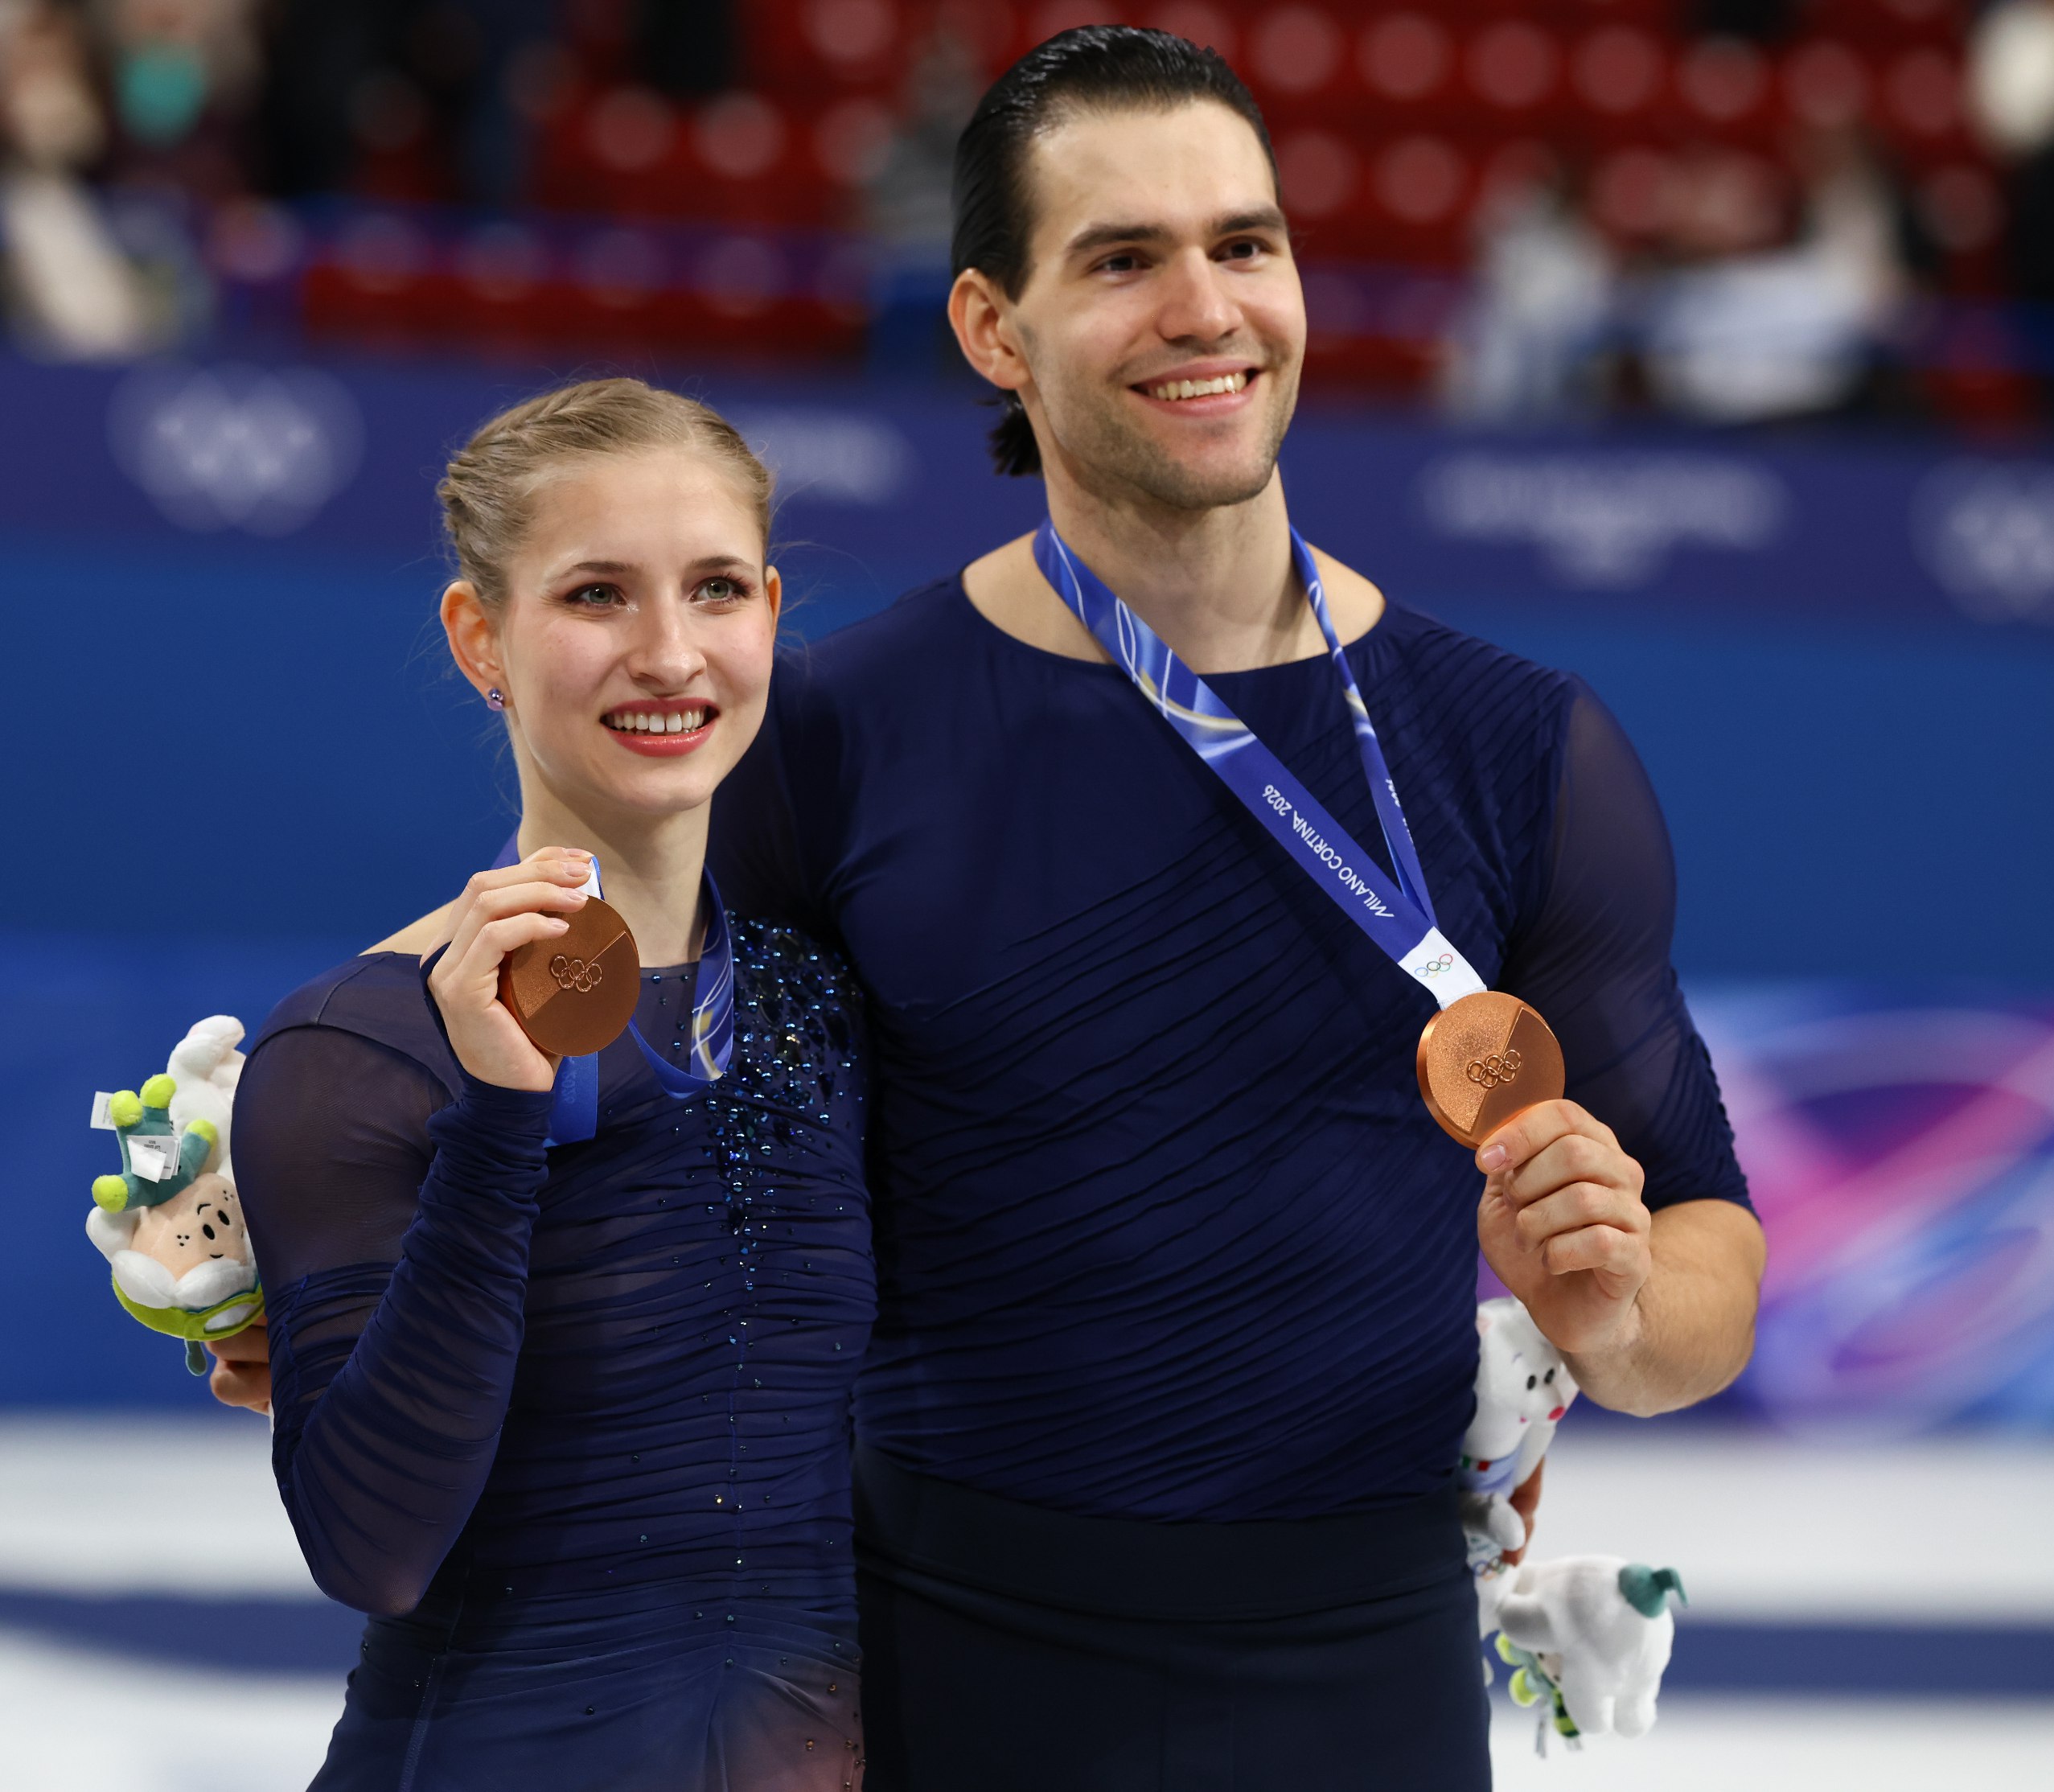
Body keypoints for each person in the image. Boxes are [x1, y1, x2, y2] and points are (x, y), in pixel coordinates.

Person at [707, 28, 1765, 1792]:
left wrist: (1615, 1309)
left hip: (1363, 1672)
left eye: (1243, 244)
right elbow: (687, 1203)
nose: (1205, 308)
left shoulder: (1518, 745)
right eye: (1123, 259)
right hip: (935, 1648)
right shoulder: (825, 740)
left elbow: (1702, 1259)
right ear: (992, 327)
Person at [228, 378, 873, 1790]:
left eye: (715, 589)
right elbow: (371, 1552)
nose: (669, 653)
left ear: (770, 614)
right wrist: (500, 1123)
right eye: (596, 595)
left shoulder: (832, 1003)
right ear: (483, 638)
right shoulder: (357, 1044)